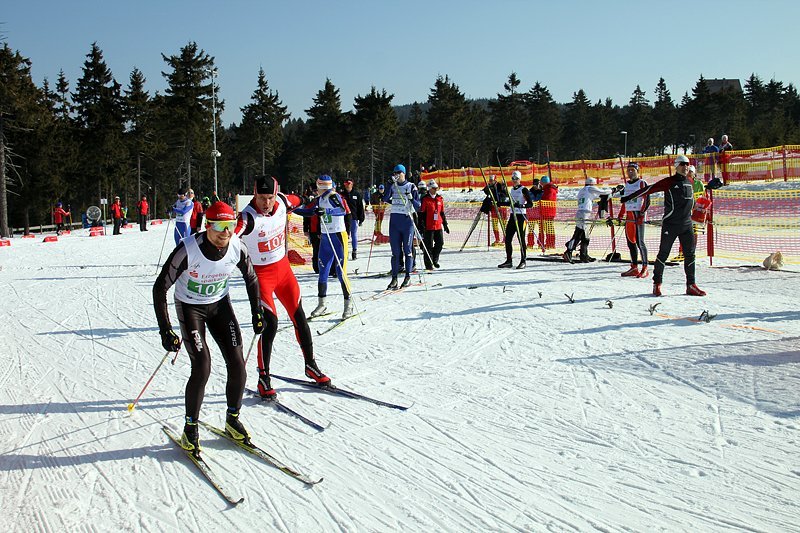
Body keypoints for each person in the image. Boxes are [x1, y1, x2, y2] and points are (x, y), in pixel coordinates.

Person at [152, 201, 265, 455]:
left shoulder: (237, 245)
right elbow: (160, 288)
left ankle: (232, 419)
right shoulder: (188, 250)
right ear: (207, 226)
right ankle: (190, 428)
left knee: (237, 363)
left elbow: (251, 278)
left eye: (231, 225)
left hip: (220, 306)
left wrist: (257, 312)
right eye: (220, 226)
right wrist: (165, 329)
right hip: (191, 308)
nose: (226, 232)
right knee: (202, 365)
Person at [236, 176, 330, 398]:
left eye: (269, 197)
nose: (266, 203)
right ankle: (263, 377)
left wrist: (312, 203)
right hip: (262, 276)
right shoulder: (248, 218)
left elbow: (297, 201)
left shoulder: (282, 202)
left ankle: (310, 365)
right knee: (271, 324)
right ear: (254, 194)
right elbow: (228, 236)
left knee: (300, 317)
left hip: (284, 271)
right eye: (261, 198)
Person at [620, 154, 706, 297]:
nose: (685, 167)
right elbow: (649, 189)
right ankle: (657, 284)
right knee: (663, 254)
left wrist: (700, 210)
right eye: (683, 164)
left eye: (687, 164)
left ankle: (691, 285)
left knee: (690, 255)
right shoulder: (668, 182)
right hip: (671, 224)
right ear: (676, 166)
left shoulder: (690, 182)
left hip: (687, 224)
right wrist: (629, 197)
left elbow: (692, 202)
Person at [294, 175, 354, 318]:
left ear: (322, 187)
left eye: (317, 188)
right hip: (326, 238)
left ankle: (348, 305)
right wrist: (291, 209)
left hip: (338, 237)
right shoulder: (319, 199)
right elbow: (309, 211)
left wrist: (326, 211)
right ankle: (322, 304)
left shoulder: (334, 196)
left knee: (340, 272)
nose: (316, 191)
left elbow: (342, 210)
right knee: (323, 271)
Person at [383, 164, 421, 289]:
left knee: (408, 250)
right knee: (395, 252)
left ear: (404, 173)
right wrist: (389, 185)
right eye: (395, 173)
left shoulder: (411, 186)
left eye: (399, 172)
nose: (397, 175)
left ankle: (408, 276)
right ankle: (394, 278)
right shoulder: (393, 186)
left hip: (407, 222)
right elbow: (385, 198)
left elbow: (418, 206)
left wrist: (411, 199)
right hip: (394, 221)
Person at [562, 177, 612, 264]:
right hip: (584, 214)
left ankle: (583, 254)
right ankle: (569, 251)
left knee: (584, 235)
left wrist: (597, 203)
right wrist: (613, 190)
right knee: (580, 234)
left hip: (582, 212)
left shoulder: (582, 191)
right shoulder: (590, 188)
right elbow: (603, 192)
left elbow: (588, 202)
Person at [615, 162, 650, 277]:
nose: (630, 172)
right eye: (628, 170)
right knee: (630, 242)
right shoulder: (627, 184)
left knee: (640, 242)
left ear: (637, 171)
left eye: (632, 170)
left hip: (638, 214)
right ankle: (634, 267)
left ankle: (645, 268)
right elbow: (625, 201)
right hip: (629, 215)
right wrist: (621, 215)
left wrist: (642, 214)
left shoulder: (641, 183)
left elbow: (647, 200)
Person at [497, 170, 532, 269]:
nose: (514, 180)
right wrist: (501, 203)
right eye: (513, 178)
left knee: (521, 239)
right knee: (507, 239)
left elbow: (530, 204)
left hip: (521, 217)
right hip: (513, 216)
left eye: (516, 178)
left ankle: (523, 260)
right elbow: (511, 203)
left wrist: (521, 205)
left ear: (520, 179)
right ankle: (509, 260)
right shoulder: (512, 190)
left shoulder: (524, 189)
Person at [419, 179, 449, 269]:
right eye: (434, 188)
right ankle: (428, 265)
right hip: (428, 226)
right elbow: (422, 214)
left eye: (436, 188)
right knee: (428, 246)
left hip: (438, 226)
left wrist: (445, 225)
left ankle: (434, 259)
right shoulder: (425, 199)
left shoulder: (440, 199)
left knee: (440, 243)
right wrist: (422, 225)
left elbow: (442, 213)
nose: (436, 189)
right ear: (429, 188)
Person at [341, 179, 365, 260]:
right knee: (344, 235)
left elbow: (360, 207)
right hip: (343, 218)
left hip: (353, 218)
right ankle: (344, 252)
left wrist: (361, 218)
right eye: (346, 184)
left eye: (349, 184)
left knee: (353, 234)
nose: (347, 186)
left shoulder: (356, 194)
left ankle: (354, 251)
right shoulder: (341, 194)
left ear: (352, 184)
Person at [481, 174, 507, 245]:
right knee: (495, 224)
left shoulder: (500, 186)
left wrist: (503, 187)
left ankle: (505, 239)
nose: (490, 182)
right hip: (494, 208)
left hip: (502, 207)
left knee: (504, 224)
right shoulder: (489, 187)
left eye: (492, 180)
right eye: (490, 180)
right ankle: (497, 239)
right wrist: (488, 187)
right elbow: (485, 191)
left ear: (495, 180)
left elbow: (505, 194)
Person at [540, 176, 558, 249]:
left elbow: (547, 199)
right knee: (548, 228)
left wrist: (540, 201)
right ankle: (549, 243)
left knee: (549, 228)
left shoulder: (549, 189)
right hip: (549, 211)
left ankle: (550, 244)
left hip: (548, 211)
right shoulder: (548, 188)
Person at [526, 178, 543, 249]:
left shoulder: (542, 191)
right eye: (535, 184)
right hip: (531, 213)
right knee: (530, 230)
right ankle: (530, 243)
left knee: (541, 229)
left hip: (540, 213)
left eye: (538, 184)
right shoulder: (530, 192)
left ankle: (540, 244)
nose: (537, 186)